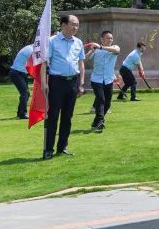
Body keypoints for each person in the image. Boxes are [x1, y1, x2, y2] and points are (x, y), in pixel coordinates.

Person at [42, 14, 85, 159]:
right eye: (73, 24)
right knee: (53, 116)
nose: (75, 27)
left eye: (77, 25)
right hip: (57, 82)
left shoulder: (78, 42)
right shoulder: (52, 41)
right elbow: (44, 63)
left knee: (68, 116)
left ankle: (62, 147)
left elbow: (81, 63)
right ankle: (48, 149)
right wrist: (43, 82)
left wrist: (81, 83)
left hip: (72, 82)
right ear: (63, 25)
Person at [87, 30, 120, 131]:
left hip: (108, 80)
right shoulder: (96, 50)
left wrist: (100, 47)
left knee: (108, 103)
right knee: (101, 99)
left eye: (111, 38)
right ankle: (100, 121)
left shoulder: (115, 47)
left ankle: (96, 121)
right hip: (96, 80)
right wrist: (92, 50)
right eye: (108, 38)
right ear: (102, 39)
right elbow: (85, 59)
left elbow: (116, 50)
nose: (110, 40)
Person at [9, 42, 34, 119]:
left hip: (20, 73)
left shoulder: (30, 47)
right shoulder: (31, 50)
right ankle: (22, 113)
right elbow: (35, 66)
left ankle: (20, 113)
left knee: (26, 93)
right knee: (25, 93)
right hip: (17, 73)